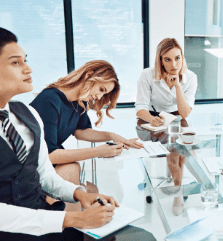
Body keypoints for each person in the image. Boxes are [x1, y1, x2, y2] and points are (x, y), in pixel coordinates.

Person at [0, 27, 154, 241]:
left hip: (43, 225)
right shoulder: (46, 102)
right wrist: (73, 219)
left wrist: (81, 195)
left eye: (25, 59)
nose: (28, 68)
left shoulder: (27, 114)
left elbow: (45, 175)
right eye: (16, 62)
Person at [30, 61, 143, 211]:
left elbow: (81, 131)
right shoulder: (50, 99)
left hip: (48, 160)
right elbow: (50, 155)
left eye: (104, 93)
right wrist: (100, 151)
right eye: (101, 89)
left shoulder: (79, 101)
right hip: (32, 165)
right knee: (81, 182)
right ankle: (75, 223)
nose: (99, 96)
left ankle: (85, 223)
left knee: (93, 189)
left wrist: (111, 135)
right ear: (89, 75)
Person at [135, 37, 197, 126]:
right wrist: (151, 119)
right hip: (151, 116)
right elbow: (140, 107)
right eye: (167, 59)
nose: (174, 65)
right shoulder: (147, 75)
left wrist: (177, 86)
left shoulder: (191, 77)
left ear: (182, 58)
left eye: (177, 58)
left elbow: (185, 114)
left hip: (177, 118)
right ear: (161, 61)